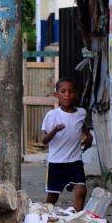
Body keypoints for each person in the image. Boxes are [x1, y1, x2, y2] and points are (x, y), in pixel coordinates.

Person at [41, 78, 93, 211]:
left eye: (71, 92)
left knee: (81, 190)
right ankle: (46, 215)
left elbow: (79, 125)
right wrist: (54, 131)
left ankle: (76, 217)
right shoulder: (52, 115)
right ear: (56, 94)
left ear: (76, 94)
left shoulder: (81, 113)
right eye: (63, 91)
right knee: (53, 196)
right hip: (57, 162)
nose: (67, 95)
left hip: (75, 161)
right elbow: (44, 141)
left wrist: (88, 136)